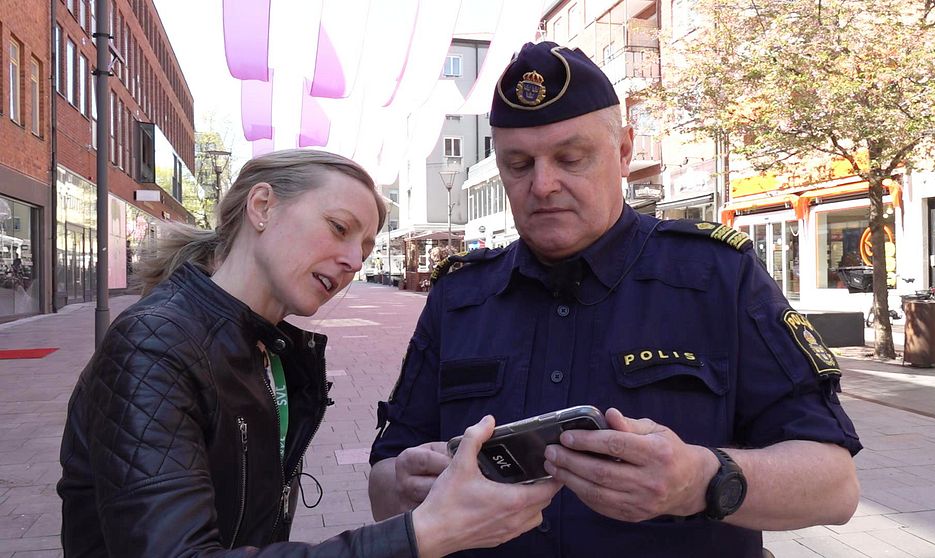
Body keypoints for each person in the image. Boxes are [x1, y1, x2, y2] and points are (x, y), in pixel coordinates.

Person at [368, 42, 862, 557]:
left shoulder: (716, 276)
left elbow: (835, 485)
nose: (543, 184)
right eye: (518, 165)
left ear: (624, 152)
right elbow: (384, 484)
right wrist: (406, 486)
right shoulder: (460, 294)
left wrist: (700, 482)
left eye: (570, 158)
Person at [57, 149, 561, 557]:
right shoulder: (155, 343)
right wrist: (420, 535)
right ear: (262, 206)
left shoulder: (267, 349)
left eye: (363, 249)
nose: (351, 261)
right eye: (339, 228)